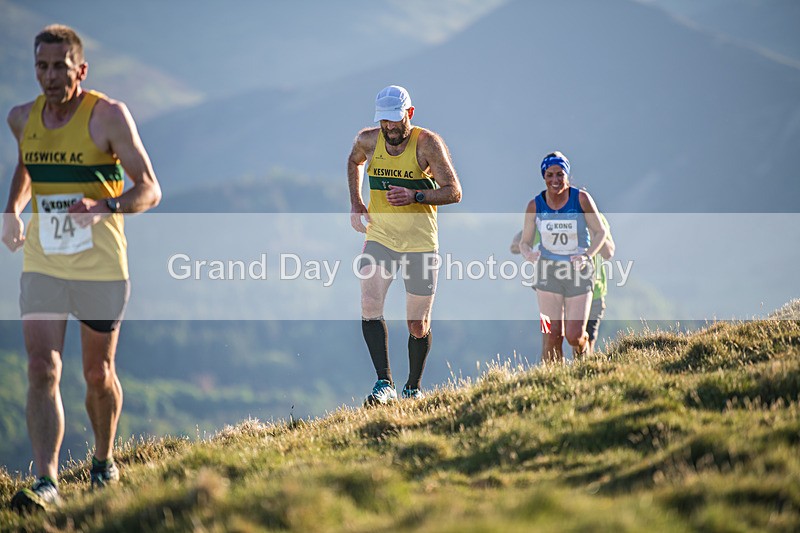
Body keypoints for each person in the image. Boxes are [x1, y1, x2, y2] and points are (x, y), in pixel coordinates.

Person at [2, 25, 161, 512]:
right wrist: (12, 209)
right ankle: (46, 480)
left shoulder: (108, 116)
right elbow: (29, 165)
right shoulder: (21, 117)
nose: (50, 77)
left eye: (60, 68)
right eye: (41, 67)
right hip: (44, 263)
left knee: (97, 371)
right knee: (41, 366)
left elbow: (150, 189)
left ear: (81, 69)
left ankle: (103, 459)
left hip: (100, 265)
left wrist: (104, 207)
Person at [347, 85, 462, 404]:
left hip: (420, 243)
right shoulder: (368, 140)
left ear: (409, 114)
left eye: (395, 122)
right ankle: (384, 384)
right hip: (381, 236)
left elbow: (454, 191)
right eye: (384, 122)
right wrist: (357, 202)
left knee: (417, 323)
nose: (389, 128)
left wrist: (417, 196)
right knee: (370, 302)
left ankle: (412, 388)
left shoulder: (428, 144)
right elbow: (353, 161)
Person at [519, 151, 607, 364]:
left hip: (579, 272)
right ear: (544, 176)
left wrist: (587, 256)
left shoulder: (581, 199)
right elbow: (524, 242)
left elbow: (600, 232)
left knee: (573, 335)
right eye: (550, 175)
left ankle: (584, 351)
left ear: (567, 174)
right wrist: (528, 254)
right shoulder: (535, 205)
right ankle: (552, 381)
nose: (555, 180)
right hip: (546, 274)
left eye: (560, 174)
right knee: (550, 334)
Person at [510, 212, 615, 357]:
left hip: (592, 294)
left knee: (581, 345)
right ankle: (548, 377)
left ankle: (583, 375)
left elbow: (608, 253)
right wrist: (528, 235)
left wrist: (592, 226)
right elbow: (514, 246)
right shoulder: (549, 218)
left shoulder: (595, 217)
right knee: (548, 340)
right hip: (551, 292)